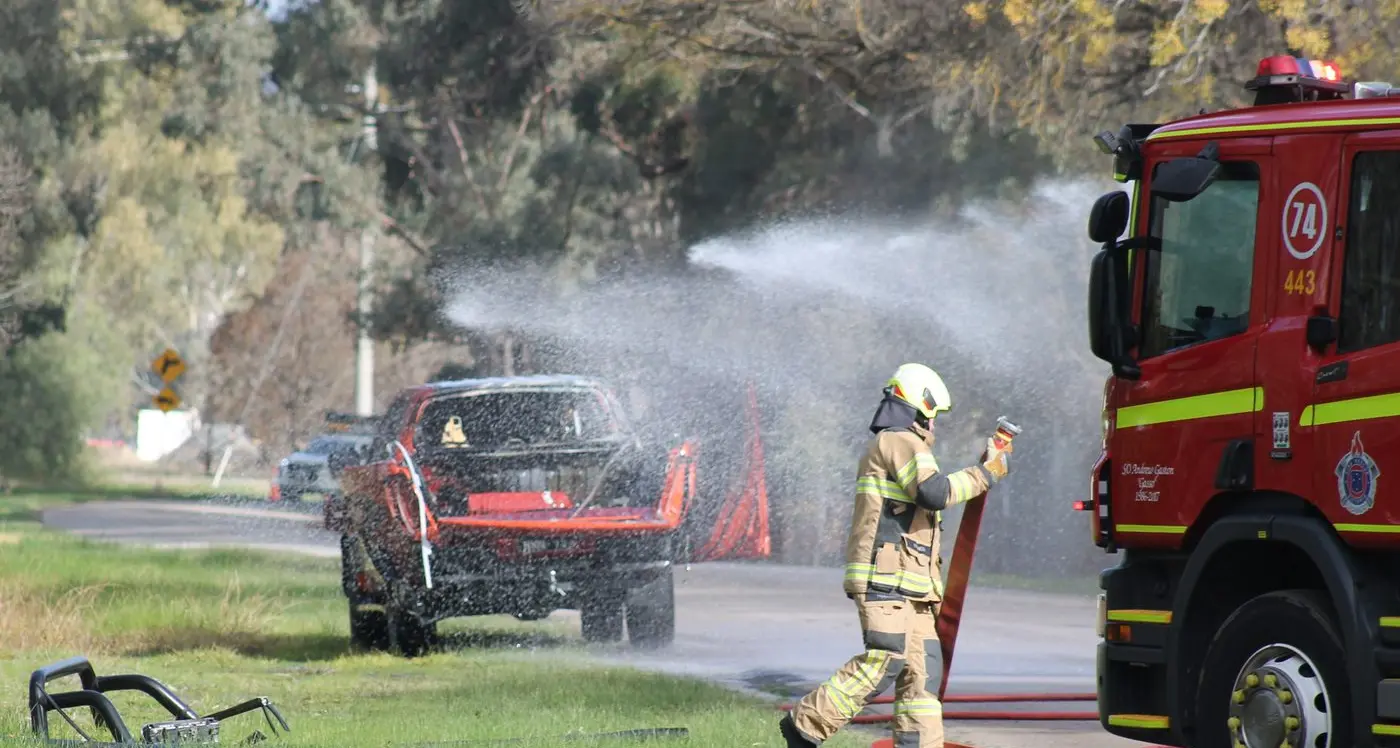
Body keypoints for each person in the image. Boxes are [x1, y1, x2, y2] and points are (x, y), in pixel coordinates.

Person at [779, 362, 1014, 748]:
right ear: (920, 406)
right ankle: (804, 726)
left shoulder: (906, 445)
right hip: (887, 579)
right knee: (887, 658)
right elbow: (933, 493)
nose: (934, 425)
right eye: (933, 416)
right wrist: (985, 473)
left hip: (912, 586)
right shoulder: (898, 440)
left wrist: (984, 468)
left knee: (922, 676)